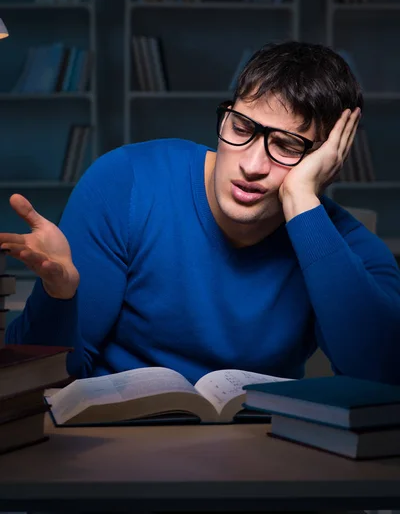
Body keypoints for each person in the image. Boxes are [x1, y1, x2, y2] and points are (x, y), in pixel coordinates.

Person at [2, 41, 400, 385]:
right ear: (227, 114)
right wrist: (58, 298)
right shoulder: (125, 181)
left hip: (260, 453)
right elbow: (50, 379)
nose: (252, 164)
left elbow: (379, 378)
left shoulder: (343, 245)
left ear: (327, 161)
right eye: (242, 128)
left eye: (287, 146)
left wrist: (301, 201)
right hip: (115, 443)